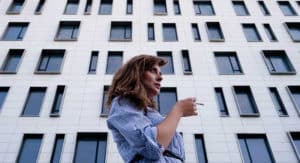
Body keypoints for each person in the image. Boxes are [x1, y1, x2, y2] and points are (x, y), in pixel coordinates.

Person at [106, 55, 198, 162]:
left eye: (160, 73)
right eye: (153, 71)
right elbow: (151, 148)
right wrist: (178, 110)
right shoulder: (122, 103)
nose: (160, 77)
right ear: (136, 74)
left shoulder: (149, 112)